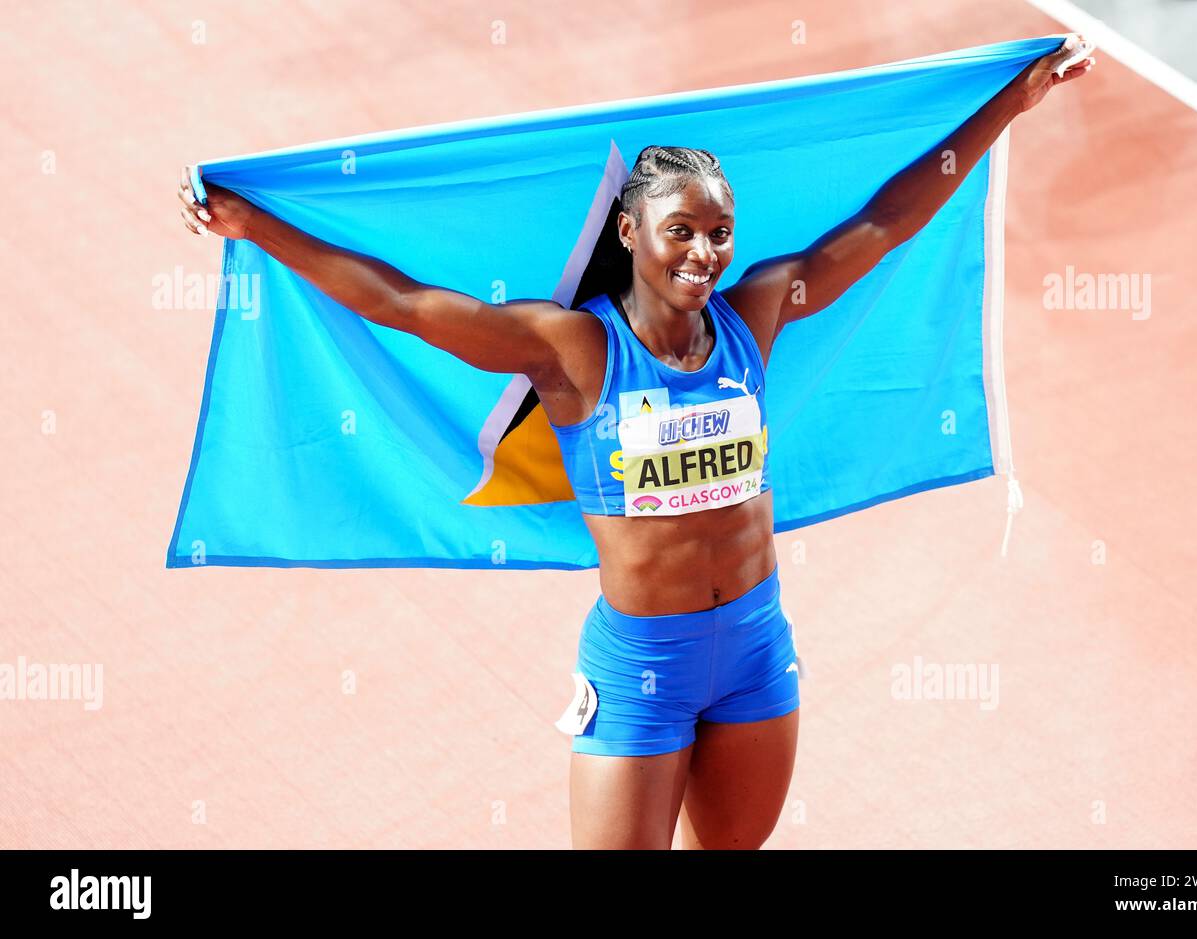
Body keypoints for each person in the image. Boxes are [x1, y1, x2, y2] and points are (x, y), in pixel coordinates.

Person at [177, 38, 1095, 849]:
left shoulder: (759, 312)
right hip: (642, 664)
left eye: (719, 232)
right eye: (681, 230)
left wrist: (1010, 104)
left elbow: (889, 223)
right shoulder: (574, 350)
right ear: (630, 231)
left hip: (755, 646)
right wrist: (254, 225)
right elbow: (405, 305)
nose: (704, 252)